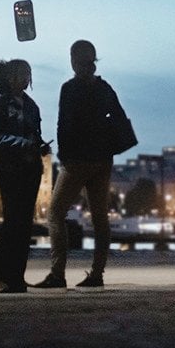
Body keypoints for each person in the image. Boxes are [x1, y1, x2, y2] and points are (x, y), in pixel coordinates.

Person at [34, 39, 125, 289]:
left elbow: (63, 125)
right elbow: (118, 117)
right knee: (100, 218)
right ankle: (96, 274)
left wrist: (64, 156)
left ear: (74, 60)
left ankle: (58, 273)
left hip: (77, 160)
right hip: (102, 159)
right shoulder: (104, 88)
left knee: (55, 213)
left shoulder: (70, 88)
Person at [0, 58, 46, 293]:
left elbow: (34, 136)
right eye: (22, 74)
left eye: (28, 75)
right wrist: (25, 144)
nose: (26, 79)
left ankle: (16, 276)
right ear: (10, 77)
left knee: (24, 224)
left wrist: (39, 146)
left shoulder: (32, 106)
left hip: (30, 168)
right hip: (9, 168)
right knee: (12, 221)